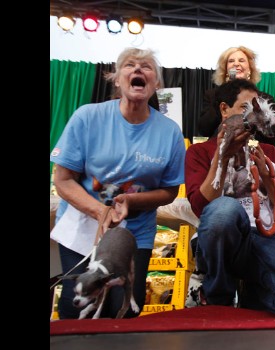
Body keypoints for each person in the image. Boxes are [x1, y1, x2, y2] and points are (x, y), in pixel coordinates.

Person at [50, 47, 186, 319]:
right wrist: (102, 212)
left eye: (146, 67)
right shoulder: (87, 117)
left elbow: (170, 191)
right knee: (78, 306)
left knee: (123, 310)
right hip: (82, 227)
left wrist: (130, 201)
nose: (138, 70)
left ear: (156, 83)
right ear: (116, 79)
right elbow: (62, 180)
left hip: (134, 234)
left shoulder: (169, 131)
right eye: (129, 65)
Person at [185, 78, 275, 318]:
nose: (252, 115)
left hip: (265, 236)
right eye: (244, 107)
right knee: (224, 210)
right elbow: (200, 207)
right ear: (224, 109)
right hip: (221, 236)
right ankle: (218, 298)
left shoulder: (268, 152)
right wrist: (221, 157)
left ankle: (254, 295)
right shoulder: (199, 152)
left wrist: (269, 180)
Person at [197, 46, 275, 146]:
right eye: (231, 61)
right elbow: (204, 129)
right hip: (220, 151)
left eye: (241, 60)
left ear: (249, 69)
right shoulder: (213, 95)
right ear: (226, 71)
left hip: (254, 153)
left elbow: (273, 138)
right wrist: (224, 93)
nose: (236, 64)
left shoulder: (264, 99)